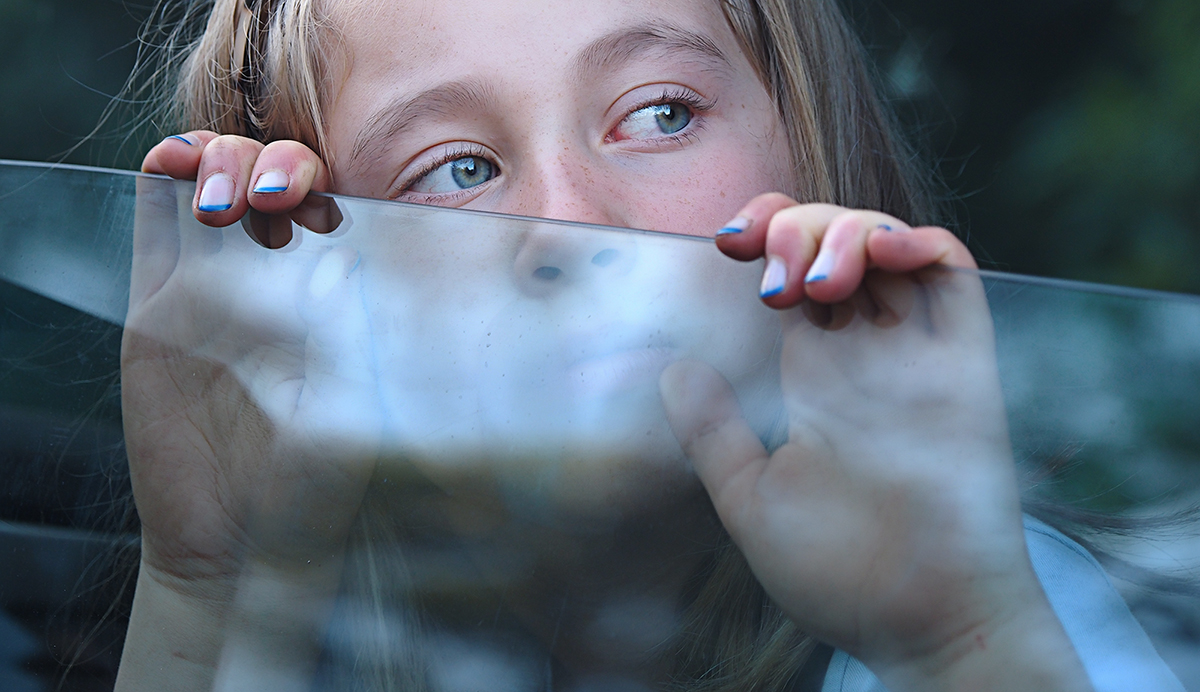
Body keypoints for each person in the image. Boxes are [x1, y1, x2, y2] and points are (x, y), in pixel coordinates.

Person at [114, 0, 1183, 690]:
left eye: (662, 112)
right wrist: (205, 585)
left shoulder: (989, 600)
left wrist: (959, 645)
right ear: (314, 276)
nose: (576, 225)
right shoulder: (306, 643)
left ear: (812, 143)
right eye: (457, 169)